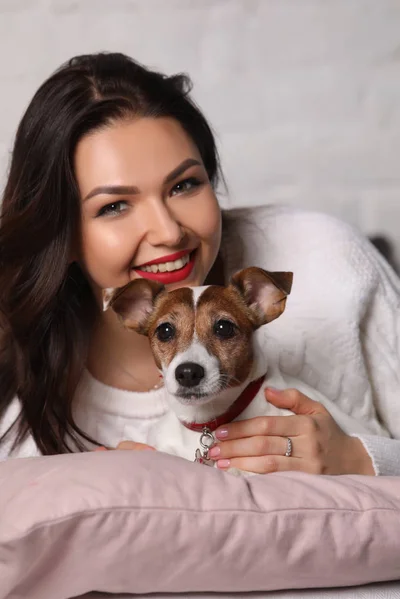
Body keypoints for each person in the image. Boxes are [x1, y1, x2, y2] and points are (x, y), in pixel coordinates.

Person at [1, 52, 400, 476]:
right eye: (115, 205)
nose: (168, 232)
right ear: (61, 234)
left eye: (184, 184)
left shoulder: (325, 258)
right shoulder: (20, 413)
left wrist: (358, 459)